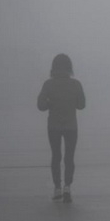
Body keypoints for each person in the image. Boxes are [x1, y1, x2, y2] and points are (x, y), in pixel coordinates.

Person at [37, 54, 85, 203]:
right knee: (69, 157)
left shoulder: (48, 84)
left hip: (54, 126)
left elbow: (41, 106)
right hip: (71, 126)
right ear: (69, 67)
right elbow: (81, 105)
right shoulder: (76, 84)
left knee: (56, 156)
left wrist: (51, 103)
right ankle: (67, 187)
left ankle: (57, 187)